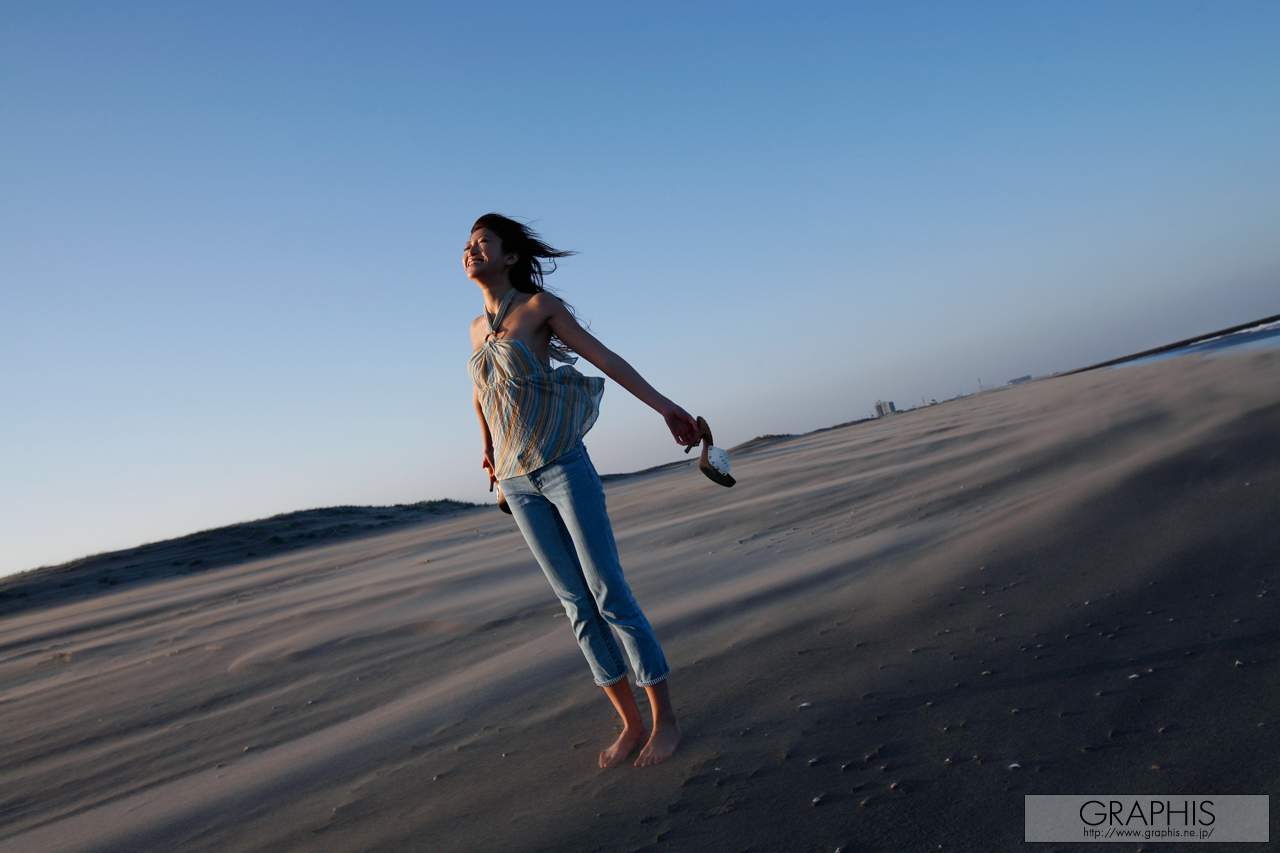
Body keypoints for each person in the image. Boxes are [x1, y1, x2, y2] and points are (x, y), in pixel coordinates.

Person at [465, 212, 698, 768]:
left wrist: (666, 407)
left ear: (510, 256)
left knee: (607, 592)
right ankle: (630, 723)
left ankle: (665, 719)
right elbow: (480, 393)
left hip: (563, 466)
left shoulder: (538, 308)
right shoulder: (475, 329)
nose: (471, 250)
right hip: (516, 481)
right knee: (575, 604)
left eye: (483, 242)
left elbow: (605, 358)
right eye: (467, 244)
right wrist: (489, 452)